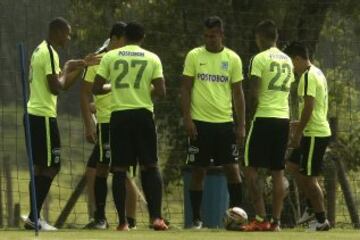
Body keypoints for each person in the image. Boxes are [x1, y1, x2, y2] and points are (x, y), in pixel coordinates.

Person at [23, 17, 99, 230]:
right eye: (67, 33)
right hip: (43, 117)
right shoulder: (48, 53)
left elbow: (64, 85)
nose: (69, 37)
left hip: (34, 115)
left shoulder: (40, 50)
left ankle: (33, 217)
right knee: (52, 166)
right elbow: (56, 87)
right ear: (57, 32)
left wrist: (82, 65)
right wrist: (67, 67)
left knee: (40, 168)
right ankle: (34, 217)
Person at [93, 22, 168, 231]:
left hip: (119, 117)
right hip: (143, 115)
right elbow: (161, 91)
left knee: (118, 169)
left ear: (124, 37)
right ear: (142, 38)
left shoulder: (111, 56)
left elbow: (97, 88)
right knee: (150, 166)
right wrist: (144, 88)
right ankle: (156, 218)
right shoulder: (152, 58)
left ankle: (122, 222)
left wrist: (115, 86)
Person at [180, 16, 246, 229]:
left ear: (221, 35)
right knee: (198, 171)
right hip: (199, 124)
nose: (209, 39)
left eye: (213, 36)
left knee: (232, 169)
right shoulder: (194, 56)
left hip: (224, 124)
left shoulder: (233, 59)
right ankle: (197, 220)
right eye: (206, 36)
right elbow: (186, 89)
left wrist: (241, 124)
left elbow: (238, 94)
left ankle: (236, 218)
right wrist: (188, 119)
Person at [80, 22, 139, 230]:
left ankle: (124, 220)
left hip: (123, 121)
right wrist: (89, 123)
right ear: (114, 39)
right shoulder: (99, 59)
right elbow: (85, 93)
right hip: (107, 122)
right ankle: (102, 218)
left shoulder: (129, 59)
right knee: (100, 169)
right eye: (124, 40)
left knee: (118, 172)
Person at [242, 20, 294, 231]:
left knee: (250, 167)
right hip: (283, 119)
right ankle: (276, 221)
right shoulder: (288, 60)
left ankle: (261, 217)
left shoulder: (259, 58)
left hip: (264, 117)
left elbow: (253, 92)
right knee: (278, 171)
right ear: (276, 38)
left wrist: (246, 120)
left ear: (260, 37)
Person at [284, 41, 331, 231]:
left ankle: (321, 220)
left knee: (310, 179)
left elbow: (310, 107)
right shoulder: (318, 72)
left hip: (314, 134)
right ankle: (311, 207)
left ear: (297, 58)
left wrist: (297, 133)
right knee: (293, 165)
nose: (291, 68)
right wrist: (299, 123)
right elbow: (315, 108)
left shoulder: (307, 77)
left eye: (291, 63)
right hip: (314, 130)